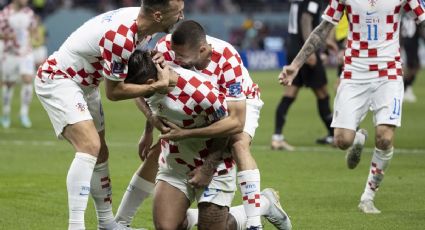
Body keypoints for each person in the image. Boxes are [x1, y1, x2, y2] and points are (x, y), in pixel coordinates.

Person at [34, 1, 184, 229]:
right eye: (178, 12)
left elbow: (132, 80)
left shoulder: (143, 29)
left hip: (86, 85)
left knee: (100, 151)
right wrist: (156, 87)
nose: (181, 16)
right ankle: (76, 226)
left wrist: (150, 122)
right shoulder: (122, 36)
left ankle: (106, 223)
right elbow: (114, 92)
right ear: (157, 15)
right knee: (89, 146)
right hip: (59, 78)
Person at [115, 20, 277, 230]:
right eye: (174, 54)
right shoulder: (167, 48)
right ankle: (121, 222)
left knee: (237, 144)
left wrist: (192, 143)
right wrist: (150, 128)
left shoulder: (227, 60)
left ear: (202, 50)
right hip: (196, 104)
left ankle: (257, 216)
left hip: (239, 102)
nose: (176, 60)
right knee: (159, 149)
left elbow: (234, 121)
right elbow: (148, 89)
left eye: (181, 57)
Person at [279, 0, 425, 214]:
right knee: (342, 141)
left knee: (384, 138)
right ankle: (356, 138)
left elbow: (422, 22)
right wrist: (296, 64)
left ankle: (368, 197)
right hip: (354, 72)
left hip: (389, 73)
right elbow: (323, 29)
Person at [272, 0, 334, 151]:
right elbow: (305, 20)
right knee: (322, 93)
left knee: (290, 93)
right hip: (304, 51)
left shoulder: (297, 1)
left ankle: (277, 137)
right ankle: (333, 135)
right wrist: (311, 52)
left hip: (293, 48)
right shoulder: (311, 1)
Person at [0, 0, 37, 128]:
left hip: (26, 53)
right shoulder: (5, 14)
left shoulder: (29, 12)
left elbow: (33, 28)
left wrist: (34, 36)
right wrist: (9, 37)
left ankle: (24, 114)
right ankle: (5, 114)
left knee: (27, 79)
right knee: (9, 84)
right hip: (10, 54)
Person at [400, 13, 420, 103]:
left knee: (415, 66)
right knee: (406, 67)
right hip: (405, 42)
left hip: (413, 42)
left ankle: (406, 87)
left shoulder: (415, 14)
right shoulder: (403, 15)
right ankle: (404, 89)